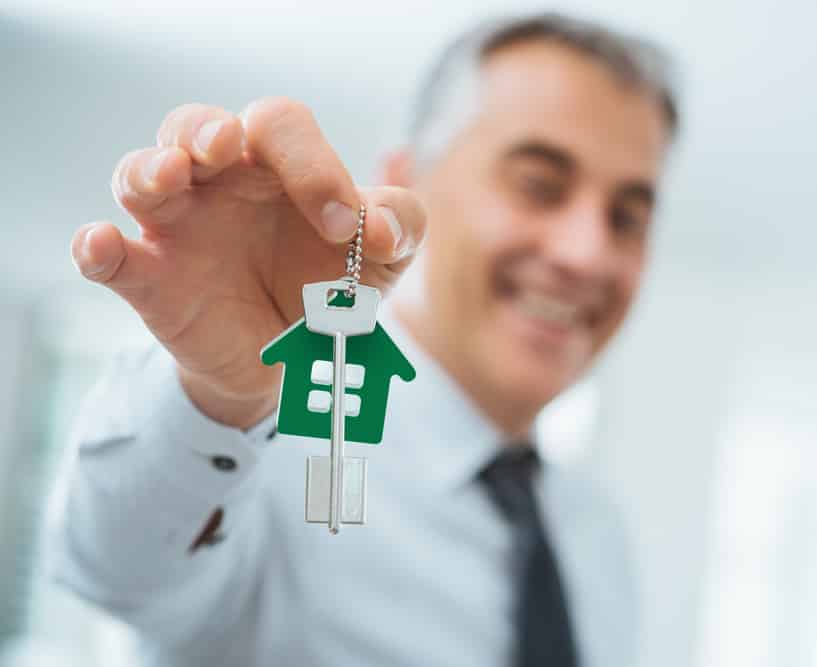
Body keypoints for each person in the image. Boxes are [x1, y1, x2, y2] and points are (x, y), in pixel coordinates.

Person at [47, 12, 678, 667]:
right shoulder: (258, 453)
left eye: (627, 216)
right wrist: (216, 390)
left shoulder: (597, 535)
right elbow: (111, 572)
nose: (586, 252)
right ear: (408, 182)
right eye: (539, 185)